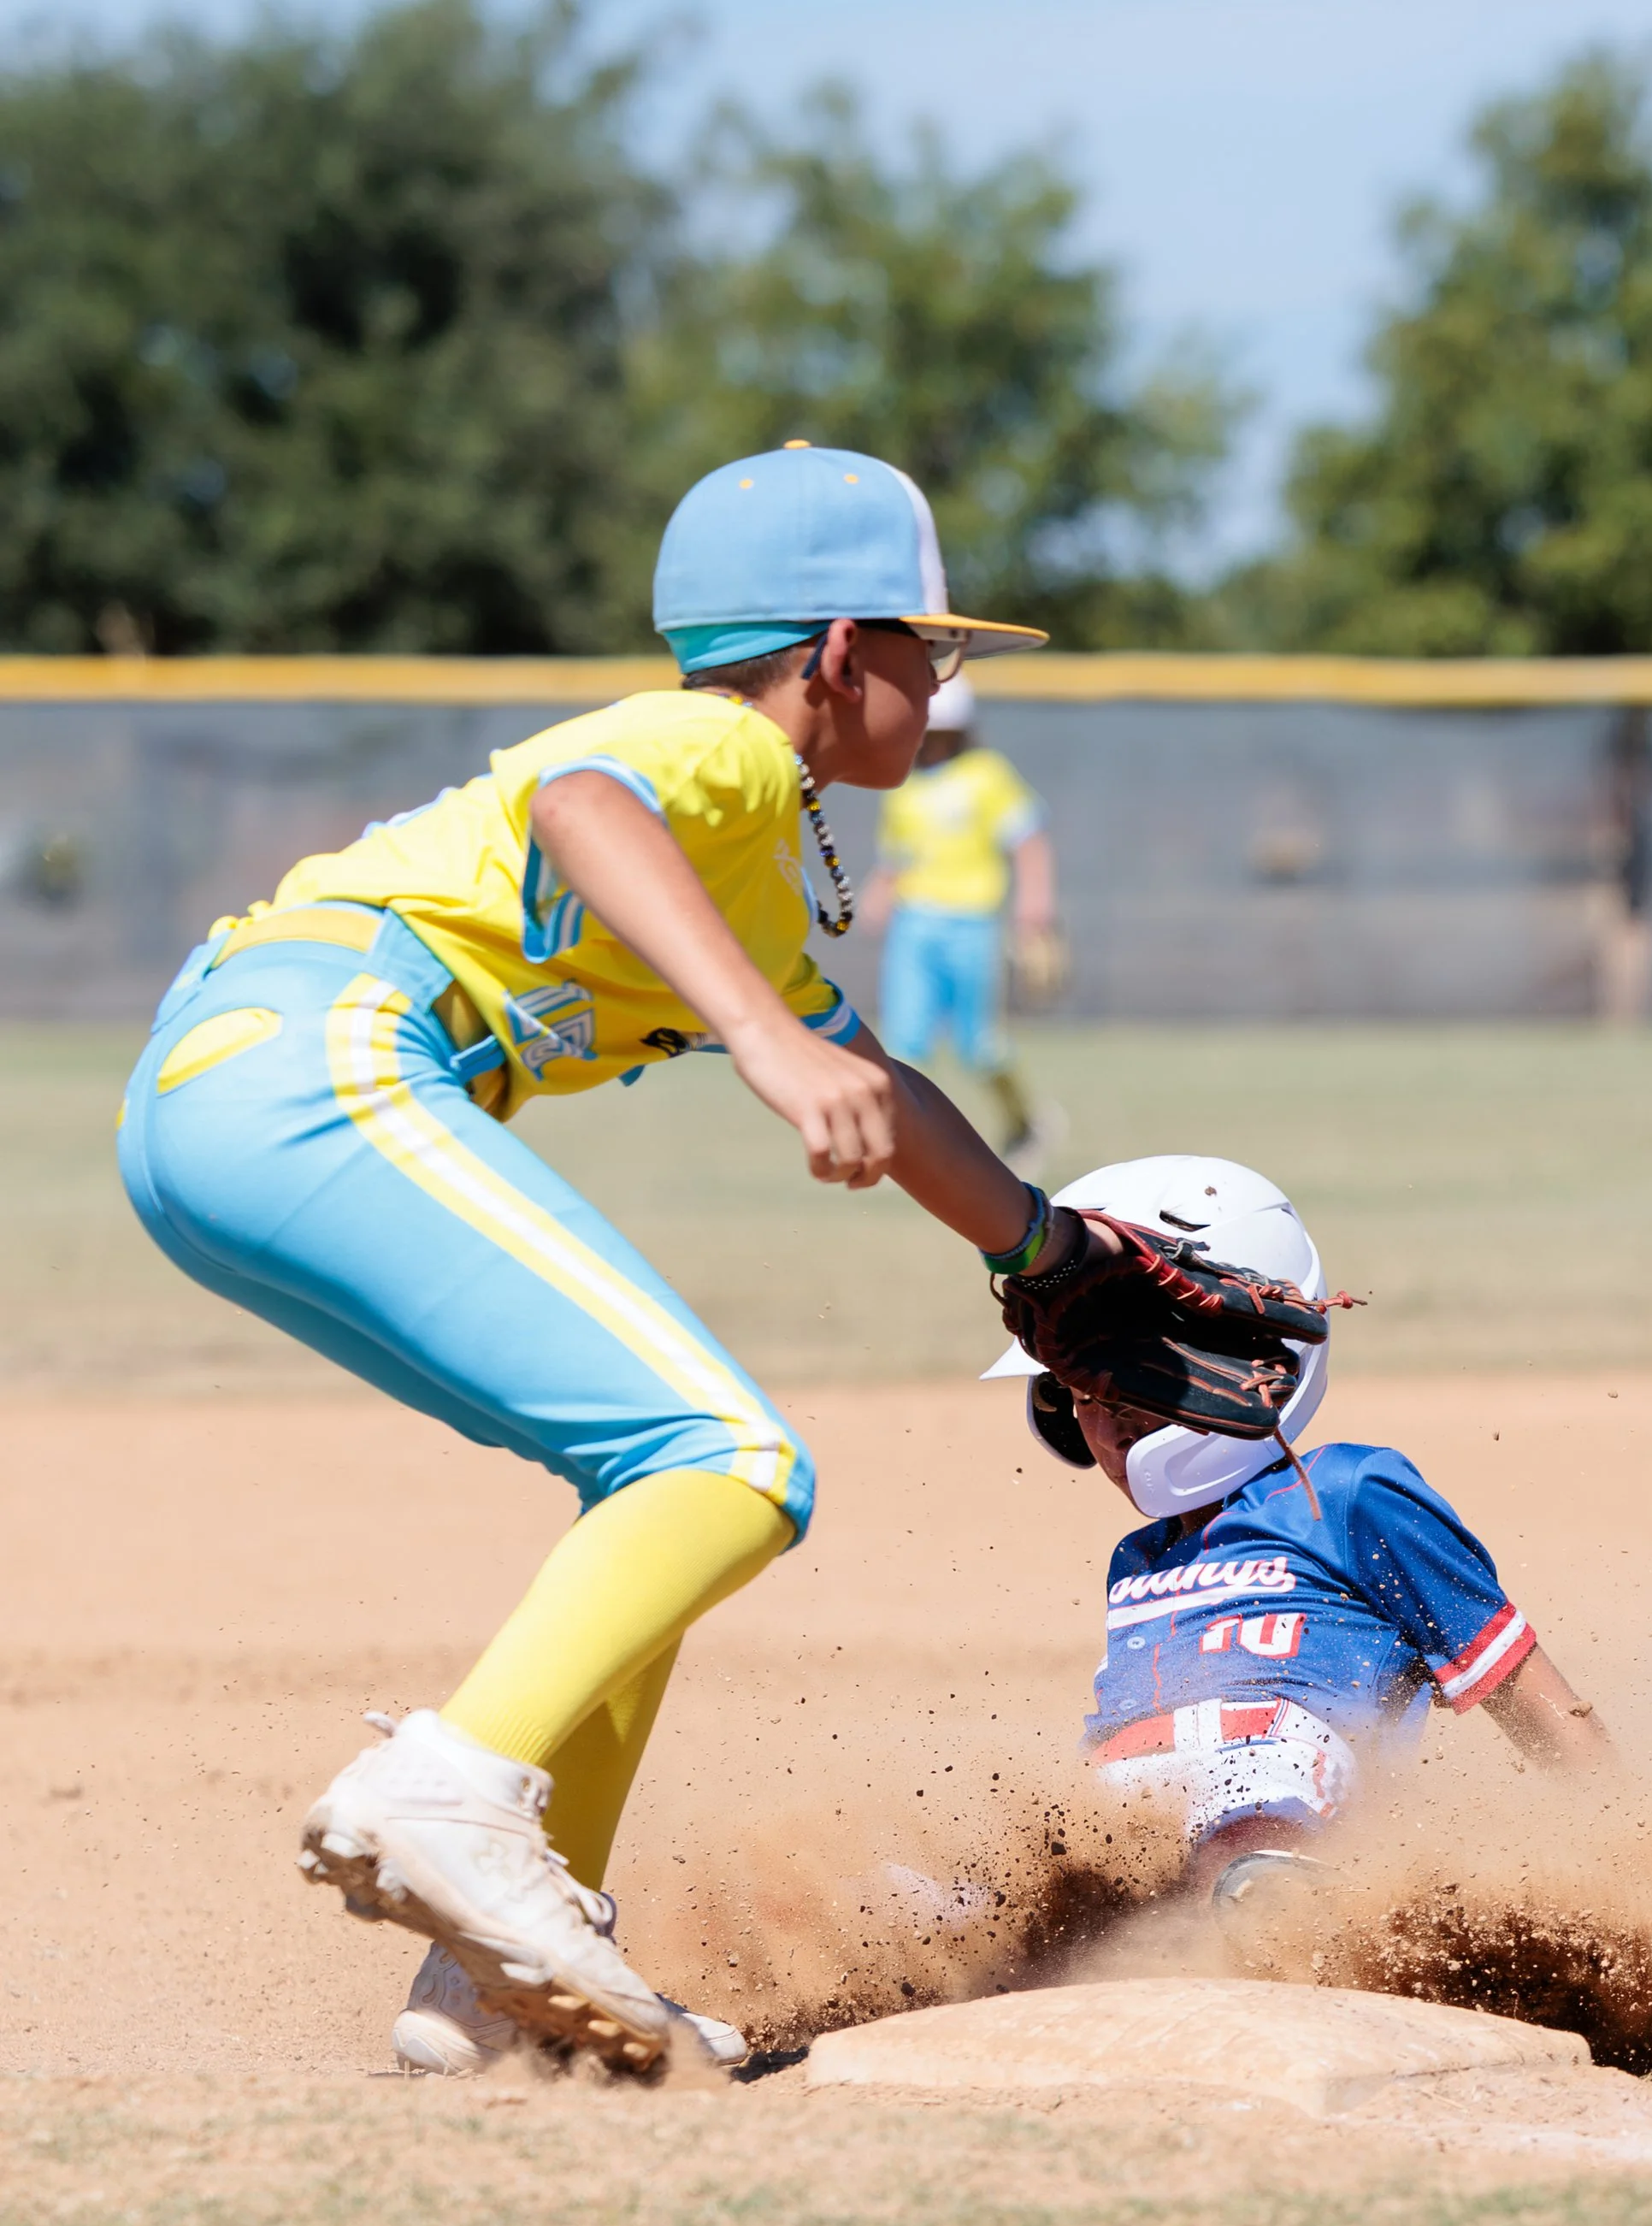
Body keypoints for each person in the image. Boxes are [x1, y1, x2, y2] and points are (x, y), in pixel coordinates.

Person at [117, 441, 1088, 2080]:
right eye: (934, 645)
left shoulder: (757, 860)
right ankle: (451, 1790)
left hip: (226, 1100)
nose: (945, 676)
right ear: (840, 651)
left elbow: (889, 1086)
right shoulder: (713, 748)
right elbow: (583, 806)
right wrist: (765, 1047)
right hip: (315, 1056)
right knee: (730, 1460)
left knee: (649, 1476)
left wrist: (1052, 1254)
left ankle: (497, 1974)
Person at [983, 1154, 1609, 1908]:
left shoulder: (1349, 1492)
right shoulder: (1137, 1561)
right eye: (1074, 1393)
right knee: (945, 1901)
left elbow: (1537, 1703)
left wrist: (1638, 1869)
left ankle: (1278, 1912)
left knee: (1247, 1814)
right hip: (1131, 1810)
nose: (1098, 1421)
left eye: (1124, 1384)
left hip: (1275, 1783)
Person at [860, 670, 1064, 1170]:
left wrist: (1035, 903)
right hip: (915, 924)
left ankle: (1026, 1121)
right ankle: (900, 1147)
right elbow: (896, 857)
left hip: (972, 923)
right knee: (905, 1045)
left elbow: (1029, 840)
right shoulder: (902, 783)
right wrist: (878, 893)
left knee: (980, 1047)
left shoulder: (987, 774)